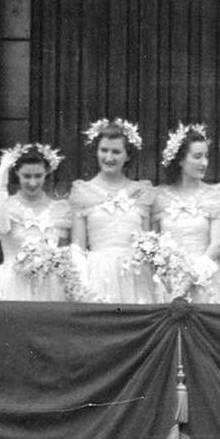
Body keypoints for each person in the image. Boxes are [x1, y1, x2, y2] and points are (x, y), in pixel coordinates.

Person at [71, 118, 156, 303]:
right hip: (98, 275)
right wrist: (84, 284)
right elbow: (77, 246)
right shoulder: (83, 191)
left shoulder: (142, 191)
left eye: (116, 151)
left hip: (135, 275)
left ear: (128, 155)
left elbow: (148, 240)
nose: (109, 157)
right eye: (104, 150)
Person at [0, 142, 74, 301]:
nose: (32, 182)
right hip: (12, 285)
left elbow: (64, 252)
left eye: (38, 176)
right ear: (17, 173)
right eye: (26, 176)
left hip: (49, 287)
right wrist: (1, 181)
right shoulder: (5, 205)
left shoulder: (60, 209)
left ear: (47, 173)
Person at [152, 123, 220, 302]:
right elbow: (154, 243)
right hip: (168, 281)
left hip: (203, 280)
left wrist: (188, 280)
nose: (204, 163)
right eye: (197, 157)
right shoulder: (160, 197)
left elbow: (216, 245)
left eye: (206, 156)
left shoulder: (215, 196)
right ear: (180, 160)